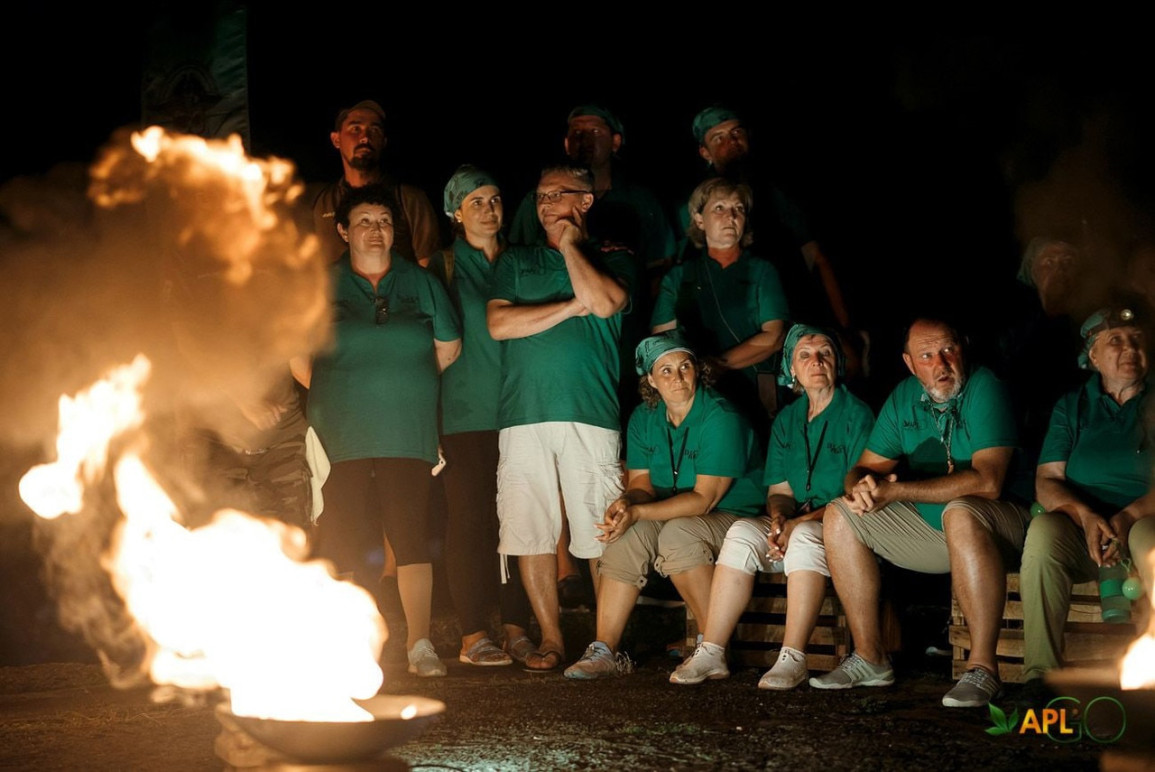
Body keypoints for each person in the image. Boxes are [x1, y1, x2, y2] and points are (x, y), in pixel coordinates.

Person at [813, 317, 1029, 708]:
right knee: (839, 514)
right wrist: (860, 488)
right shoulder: (904, 397)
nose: (941, 364)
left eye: (948, 350)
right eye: (927, 356)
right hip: (937, 532)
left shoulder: (985, 387)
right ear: (910, 364)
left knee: (961, 511)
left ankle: (983, 668)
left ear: (962, 348)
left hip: (1002, 530)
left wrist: (895, 491)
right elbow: (862, 468)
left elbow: (989, 482)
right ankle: (870, 657)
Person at [293, 184, 461, 677]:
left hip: (405, 430)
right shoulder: (320, 284)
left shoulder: (420, 281)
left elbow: (448, 348)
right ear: (344, 231)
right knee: (343, 535)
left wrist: (404, 386)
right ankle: (348, 647)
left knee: (410, 532)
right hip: (338, 433)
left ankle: (420, 644)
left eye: (384, 221)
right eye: (364, 221)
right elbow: (298, 359)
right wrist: (345, 393)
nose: (375, 230)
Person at [487, 161, 632, 671]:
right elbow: (500, 324)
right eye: (541, 196)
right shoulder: (516, 259)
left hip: (589, 412)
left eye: (558, 195)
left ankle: (605, 644)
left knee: (600, 531)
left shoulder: (613, 255)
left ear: (585, 201)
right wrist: (571, 308)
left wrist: (571, 244)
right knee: (530, 529)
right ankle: (551, 639)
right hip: (522, 413)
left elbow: (606, 302)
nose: (545, 204)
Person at [670, 324, 874, 689]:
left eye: (825, 353)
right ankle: (711, 650)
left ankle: (792, 658)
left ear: (838, 363)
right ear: (791, 369)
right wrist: (780, 518)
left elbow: (854, 497)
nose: (816, 361)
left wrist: (795, 525)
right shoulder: (788, 419)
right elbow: (780, 490)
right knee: (742, 531)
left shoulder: (857, 414)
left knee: (805, 536)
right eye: (805, 355)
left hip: (845, 526)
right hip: (799, 519)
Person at [563, 332, 766, 679]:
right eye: (666, 370)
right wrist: (626, 504)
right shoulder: (645, 417)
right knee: (627, 535)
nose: (678, 377)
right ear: (652, 381)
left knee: (679, 532)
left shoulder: (720, 416)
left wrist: (639, 511)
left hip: (733, 514)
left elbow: (704, 500)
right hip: (674, 509)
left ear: (697, 370)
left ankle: (712, 647)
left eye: (685, 366)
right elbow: (642, 485)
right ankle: (605, 650)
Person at [427, 165, 533, 666]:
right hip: (463, 414)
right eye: (476, 202)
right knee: (469, 522)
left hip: (521, 411)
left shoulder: (522, 260)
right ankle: (473, 635)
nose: (489, 210)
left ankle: (517, 629)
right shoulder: (442, 266)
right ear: (455, 212)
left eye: (494, 200)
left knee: (520, 522)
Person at [1020, 301, 1155, 684]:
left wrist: (1128, 517)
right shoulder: (1073, 406)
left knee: (1148, 538)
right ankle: (1040, 676)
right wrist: (1086, 515)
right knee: (1043, 531)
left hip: (1146, 522)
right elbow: (1047, 480)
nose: (1130, 348)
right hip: (1084, 533)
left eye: (1137, 339)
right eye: (1116, 340)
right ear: (1093, 356)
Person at [682, 106, 864, 377]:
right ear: (704, 152)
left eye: (736, 133)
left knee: (845, 363)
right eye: (718, 138)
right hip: (732, 323)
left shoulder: (775, 192)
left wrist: (844, 327)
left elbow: (816, 257)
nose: (731, 142)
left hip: (792, 310)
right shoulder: (696, 203)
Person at [651, 177, 789, 434]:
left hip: (756, 395)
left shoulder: (762, 271)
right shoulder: (679, 277)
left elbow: (774, 337)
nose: (731, 216)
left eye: (739, 208)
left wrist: (718, 364)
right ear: (699, 219)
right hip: (698, 397)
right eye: (719, 208)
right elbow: (661, 342)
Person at [310, 100, 440, 264]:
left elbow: (429, 270)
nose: (365, 138)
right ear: (336, 139)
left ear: (384, 141)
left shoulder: (409, 199)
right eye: (355, 129)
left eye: (374, 130)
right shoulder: (320, 203)